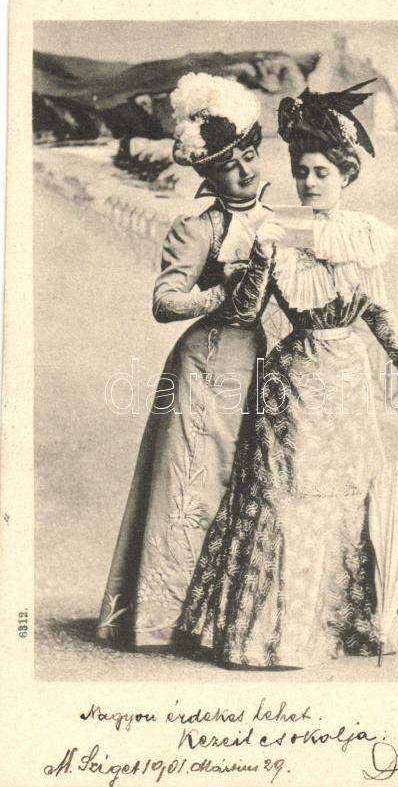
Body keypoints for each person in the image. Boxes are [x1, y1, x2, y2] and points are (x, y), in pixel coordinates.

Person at [177, 81, 398, 668]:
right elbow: (245, 312)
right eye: (301, 172)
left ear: (346, 175)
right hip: (293, 384)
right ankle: (278, 636)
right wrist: (258, 260)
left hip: (349, 382)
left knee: (354, 493)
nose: (310, 182)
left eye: (321, 172)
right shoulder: (276, 232)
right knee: (287, 495)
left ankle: (357, 625)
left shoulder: (362, 233)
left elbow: (377, 312)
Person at [96, 73, 272, 650]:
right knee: (195, 485)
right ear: (208, 176)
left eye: (247, 158)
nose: (243, 172)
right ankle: (165, 619)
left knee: (256, 485)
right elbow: (164, 302)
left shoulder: (281, 222)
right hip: (206, 369)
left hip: (267, 366)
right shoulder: (197, 229)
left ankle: (231, 620)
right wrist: (221, 292)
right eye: (227, 167)